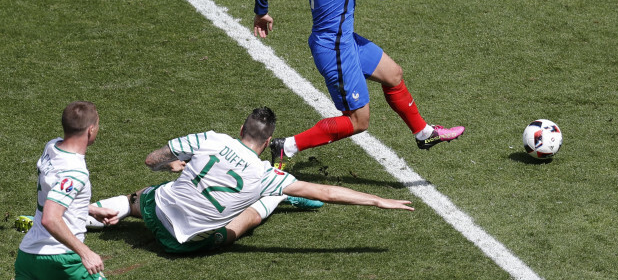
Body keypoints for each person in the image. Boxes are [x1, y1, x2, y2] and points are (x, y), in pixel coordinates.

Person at [253, 0, 465, 167]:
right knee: (358, 121)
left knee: (393, 74)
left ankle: (424, 133)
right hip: (335, 49)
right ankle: (288, 147)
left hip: (342, 40)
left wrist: (261, 11)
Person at [86, 107, 413, 253]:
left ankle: (78, 216)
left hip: (155, 212)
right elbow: (325, 192)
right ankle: (282, 197)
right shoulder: (264, 174)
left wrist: (175, 165)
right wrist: (377, 200)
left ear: (241, 130)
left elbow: (152, 160)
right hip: (181, 245)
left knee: (138, 198)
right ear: (268, 139)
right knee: (241, 222)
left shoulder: (210, 139)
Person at [15, 101, 119, 280]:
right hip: (60, 259)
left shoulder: (51, 147)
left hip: (28, 255)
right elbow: (50, 218)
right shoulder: (75, 172)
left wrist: (90, 209)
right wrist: (85, 252)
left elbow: (52, 194)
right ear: (91, 130)